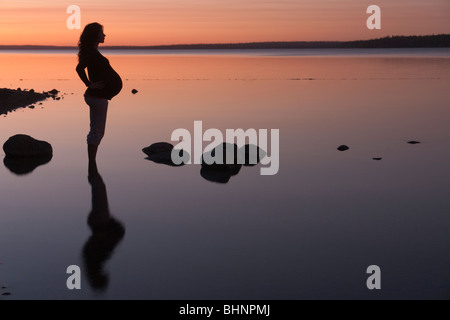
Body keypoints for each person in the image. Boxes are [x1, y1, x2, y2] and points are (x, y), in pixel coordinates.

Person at [76, 22, 122, 174]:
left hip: (98, 97)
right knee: (97, 131)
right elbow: (79, 68)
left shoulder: (92, 52)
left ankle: (92, 165)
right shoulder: (92, 53)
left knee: (96, 130)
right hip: (96, 97)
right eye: (102, 32)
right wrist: (90, 84)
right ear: (95, 35)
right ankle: (92, 165)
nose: (104, 35)